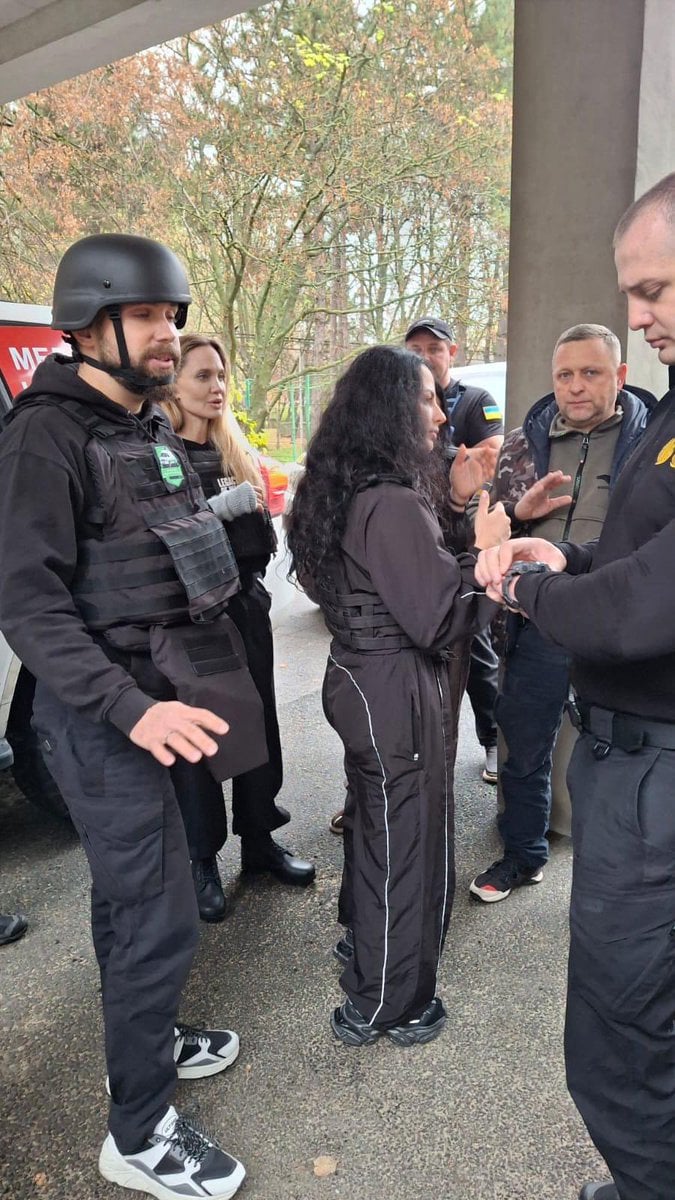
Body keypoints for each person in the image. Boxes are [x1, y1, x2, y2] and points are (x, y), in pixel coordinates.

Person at [0, 233, 250, 1200]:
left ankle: (144, 1042)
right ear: (90, 323)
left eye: (171, 317)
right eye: (147, 317)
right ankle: (138, 1135)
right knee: (156, 911)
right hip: (107, 720)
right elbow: (28, 605)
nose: (166, 335)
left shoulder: (140, 425)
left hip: (163, 701)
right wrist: (129, 709)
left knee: (136, 899)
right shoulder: (44, 437)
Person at [475, 172, 675, 1200]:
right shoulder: (543, 436)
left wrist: (538, 586)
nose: (645, 321)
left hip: (649, 744)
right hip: (599, 690)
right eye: (633, 296)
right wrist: (539, 546)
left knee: (625, 1014)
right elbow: (622, 555)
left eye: (657, 293)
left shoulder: (645, 416)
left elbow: (654, 596)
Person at [288, 345, 509, 1046]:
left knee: (375, 830)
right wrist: (492, 556)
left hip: (362, 680)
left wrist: (454, 507)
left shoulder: (350, 489)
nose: (439, 411)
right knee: (406, 845)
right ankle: (388, 1002)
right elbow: (436, 614)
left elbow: (392, 579)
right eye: (423, 399)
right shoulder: (385, 498)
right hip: (394, 694)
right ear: (387, 408)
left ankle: (363, 950)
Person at [470, 323, 651, 903]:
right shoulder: (524, 441)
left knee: (627, 750)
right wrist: (519, 512)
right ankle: (523, 854)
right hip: (541, 618)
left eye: (591, 373)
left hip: (619, 618)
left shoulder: (651, 444)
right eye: (565, 374)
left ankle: (628, 874)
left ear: (619, 376)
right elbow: (492, 530)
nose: (575, 387)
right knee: (522, 741)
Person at [161, 333, 314, 920]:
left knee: (259, 728)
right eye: (202, 376)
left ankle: (259, 840)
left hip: (246, 608)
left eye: (221, 375)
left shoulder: (232, 452)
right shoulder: (160, 457)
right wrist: (217, 511)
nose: (217, 386)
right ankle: (203, 860)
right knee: (199, 743)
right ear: (172, 384)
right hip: (193, 620)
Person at [405, 317, 503, 783]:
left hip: (458, 533)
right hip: (415, 545)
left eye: (434, 348)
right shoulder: (395, 406)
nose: (425, 355)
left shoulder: (474, 401)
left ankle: (490, 741)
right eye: (415, 347)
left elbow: (490, 453)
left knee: (476, 653)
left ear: (452, 352)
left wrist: (461, 486)